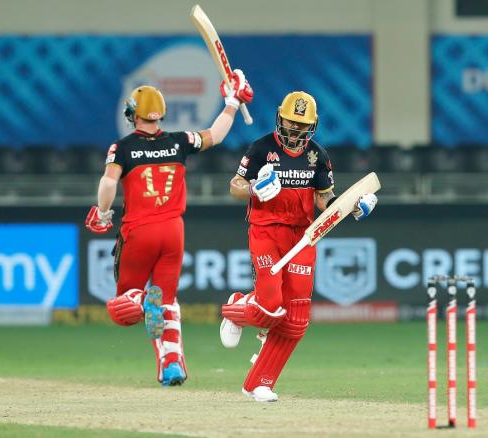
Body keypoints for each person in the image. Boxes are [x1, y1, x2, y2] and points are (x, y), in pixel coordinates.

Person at [85, 70, 253, 386]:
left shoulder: (122, 148)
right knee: (168, 303)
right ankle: (171, 363)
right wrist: (232, 102)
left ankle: (141, 300)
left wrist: (103, 213)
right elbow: (215, 135)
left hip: (138, 232)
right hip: (173, 232)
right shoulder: (178, 142)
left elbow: (108, 182)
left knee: (123, 307)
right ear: (160, 113)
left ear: (132, 114)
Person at [220, 91, 378, 402]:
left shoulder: (317, 155)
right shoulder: (261, 148)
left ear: (312, 127)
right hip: (265, 232)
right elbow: (234, 186)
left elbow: (323, 199)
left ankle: (260, 383)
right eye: (290, 123)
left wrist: (352, 207)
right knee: (269, 305)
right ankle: (237, 308)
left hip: (303, 234)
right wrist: (254, 188)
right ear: (280, 119)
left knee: (296, 318)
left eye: (300, 126)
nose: (294, 131)